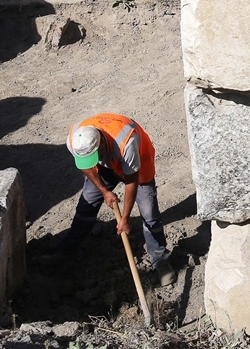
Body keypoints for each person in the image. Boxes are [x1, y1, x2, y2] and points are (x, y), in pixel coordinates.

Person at [45, 113, 176, 286]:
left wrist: (125, 218)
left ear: (100, 143)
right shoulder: (74, 140)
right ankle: (67, 251)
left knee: (149, 212)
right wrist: (104, 191)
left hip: (136, 163)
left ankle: (160, 260)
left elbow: (131, 181)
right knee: (87, 204)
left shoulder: (126, 142)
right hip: (105, 165)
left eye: (93, 155)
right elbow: (85, 167)